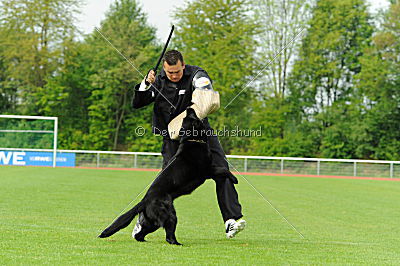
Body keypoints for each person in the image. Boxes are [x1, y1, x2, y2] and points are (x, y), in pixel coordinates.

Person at [131, 50, 246, 238]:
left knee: (221, 169)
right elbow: (137, 103)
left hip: (200, 134)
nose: (174, 75)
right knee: (165, 186)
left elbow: (203, 84)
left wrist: (205, 89)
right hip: (171, 138)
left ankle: (231, 220)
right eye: (170, 73)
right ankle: (144, 224)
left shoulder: (195, 74)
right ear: (164, 69)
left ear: (183, 66)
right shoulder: (157, 81)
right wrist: (145, 84)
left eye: (177, 71)